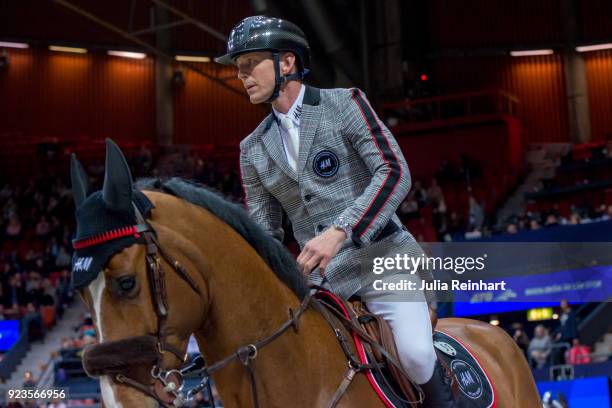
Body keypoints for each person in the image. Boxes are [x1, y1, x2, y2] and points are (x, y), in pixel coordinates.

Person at [216, 15, 455, 407]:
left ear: (287, 63)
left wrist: (341, 230)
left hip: (383, 262)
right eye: (238, 68)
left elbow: (394, 172)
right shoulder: (252, 149)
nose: (242, 75)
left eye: (249, 64)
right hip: (319, 284)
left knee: (415, 354)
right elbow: (265, 231)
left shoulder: (344, 103)